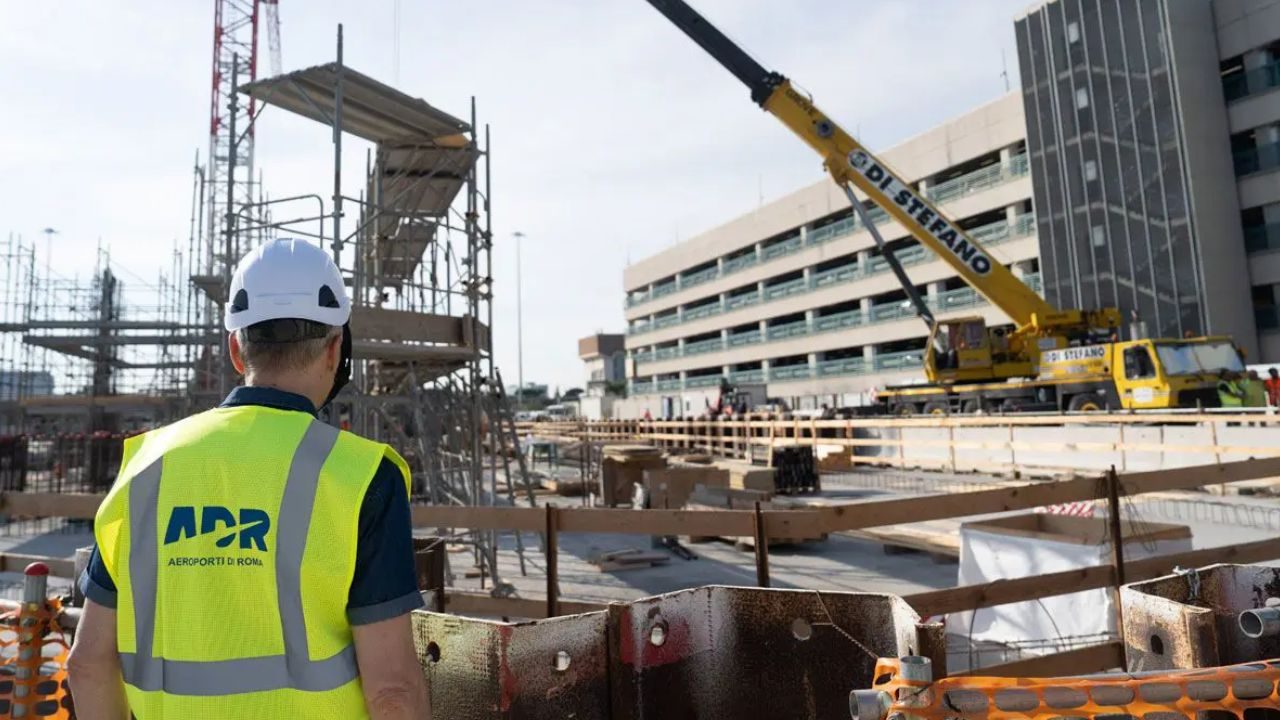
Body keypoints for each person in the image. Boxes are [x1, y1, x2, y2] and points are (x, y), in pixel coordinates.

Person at [67, 240, 429, 719]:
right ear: (336, 348)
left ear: (236, 348)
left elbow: (88, 665)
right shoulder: (363, 477)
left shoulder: (145, 467)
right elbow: (393, 692)